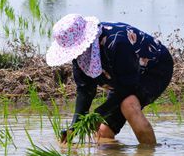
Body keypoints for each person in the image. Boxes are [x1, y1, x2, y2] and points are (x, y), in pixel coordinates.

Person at [45, 14, 174, 145]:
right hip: (123, 78)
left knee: (128, 105)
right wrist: (74, 127)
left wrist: (100, 112)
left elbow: (128, 85)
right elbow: (85, 90)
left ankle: (148, 155)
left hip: (154, 68)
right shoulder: (80, 56)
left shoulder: (117, 42)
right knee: (103, 132)